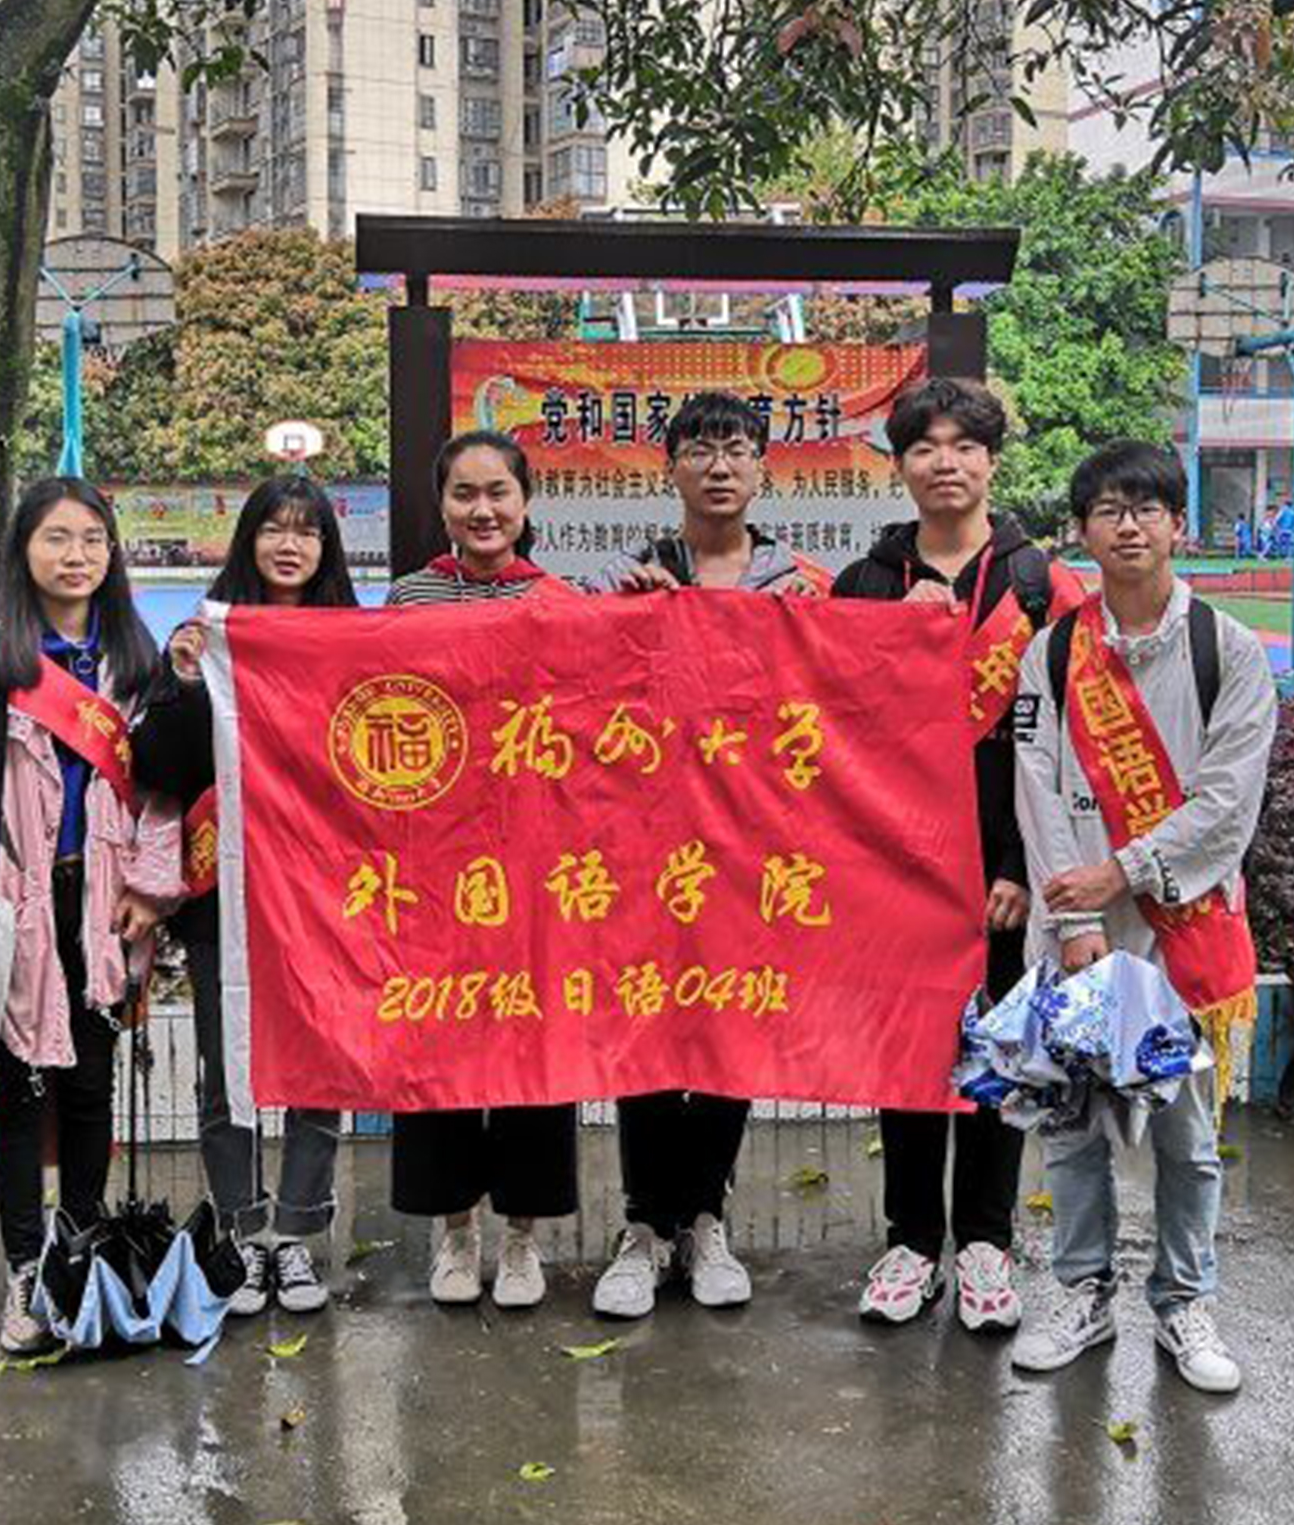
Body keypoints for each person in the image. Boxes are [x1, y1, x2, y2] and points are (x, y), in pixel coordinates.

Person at [1008, 440, 1276, 1394]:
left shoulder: (1227, 650)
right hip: (1078, 933)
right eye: (1108, 510)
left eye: (1147, 508)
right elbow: (1035, 788)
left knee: (1186, 1139)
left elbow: (1228, 802)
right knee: (1073, 1128)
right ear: (1081, 530)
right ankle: (1081, 1292)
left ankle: (1184, 1301)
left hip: (1184, 928)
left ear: (1178, 525)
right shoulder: (1051, 652)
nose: (1128, 526)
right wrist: (1072, 918)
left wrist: (1120, 873)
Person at [831, 376, 1078, 1332]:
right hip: (895, 866)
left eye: (965, 446)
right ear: (899, 466)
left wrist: (1016, 864)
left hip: (1002, 868)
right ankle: (910, 1239)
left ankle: (985, 1240)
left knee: (996, 1055)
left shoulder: (1040, 586)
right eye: (925, 447)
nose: (946, 463)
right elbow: (837, 735)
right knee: (906, 1051)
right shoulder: (865, 584)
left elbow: (1058, 745)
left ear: (992, 462)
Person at [0, 477, 177, 1355]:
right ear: (23, 550)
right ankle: (27, 1271)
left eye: (93, 539)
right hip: (16, 904)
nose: (77, 556)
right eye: (57, 538)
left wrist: (150, 888)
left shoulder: (135, 662)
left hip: (106, 901)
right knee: (20, 1089)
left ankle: (83, 1257)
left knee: (93, 1085)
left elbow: (162, 795)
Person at [582, 391, 823, 1319]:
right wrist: (621, 624)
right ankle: (645, 1226)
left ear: (765, 467)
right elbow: (575, 692)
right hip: (646, 847)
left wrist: (823, 628)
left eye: (736, 449)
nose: (719, 467)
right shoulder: (626, 575)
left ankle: (706, 1220)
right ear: (670, 467)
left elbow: (841, 703)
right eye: (700, 450)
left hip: (754, 846)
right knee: (647, 1024)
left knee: (732, 1028)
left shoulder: (802, 586)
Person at [131, 473, 354, 1318]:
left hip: (325, 891)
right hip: (225, 890)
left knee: (318, 1062)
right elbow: (159, 766)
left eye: (308, 531)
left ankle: (294, 1237)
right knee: (227, 1065)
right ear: (248, 540)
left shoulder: (353, 640)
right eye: (274, 528)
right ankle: (241, 1233)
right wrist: (189, 685)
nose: (290, 545)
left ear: (328, 548)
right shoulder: (204, 636)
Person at [385, 430, 579, 1307]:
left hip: (537, 863)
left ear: (526, 502)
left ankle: (523, 1239)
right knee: (440, 1041)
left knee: (536, 1049)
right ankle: (455, 1233)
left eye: (498, 491)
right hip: (435, 862)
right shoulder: (408, 598)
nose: (483, 510)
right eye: (464, 493)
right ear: (442, 506)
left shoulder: (562, 602)